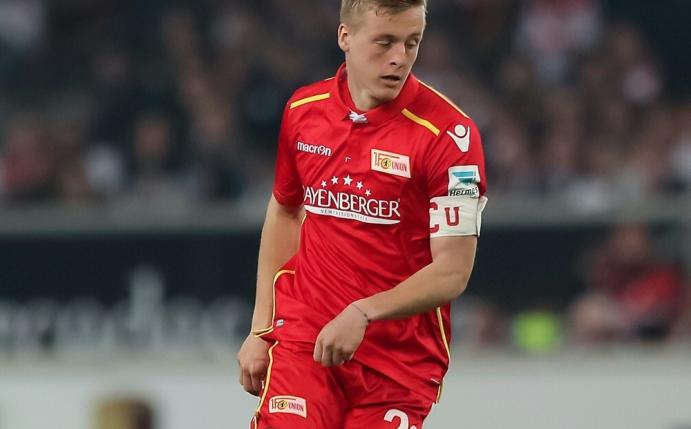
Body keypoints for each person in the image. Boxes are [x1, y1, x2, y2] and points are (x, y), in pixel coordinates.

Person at [237, 1, 487, 427]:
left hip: (398, 364)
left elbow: (452, 271)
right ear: (345, 37)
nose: (399, 58)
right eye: (384, 42)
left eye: (412, 43)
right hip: (305, 341)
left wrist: (363, 312)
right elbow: (285, 211)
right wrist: (262, 329)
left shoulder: (450, 136)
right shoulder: (303, 110)